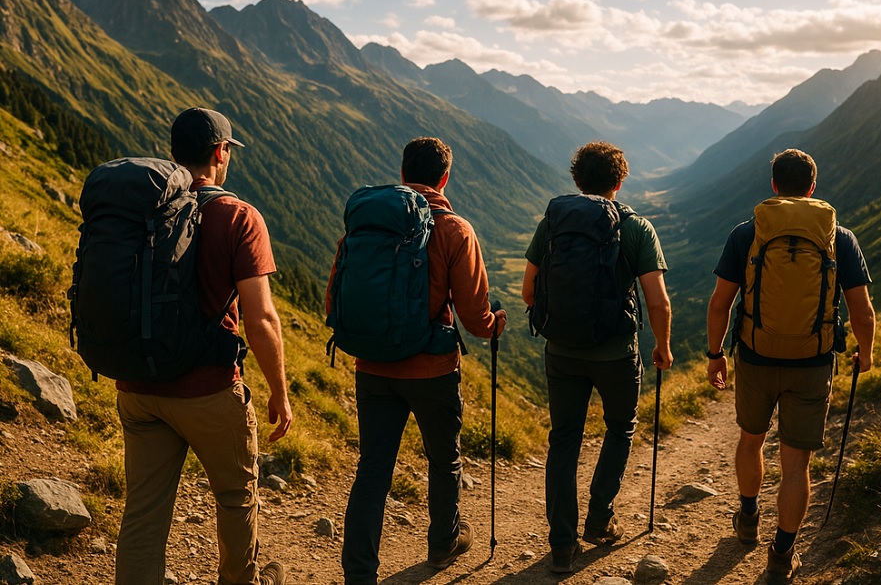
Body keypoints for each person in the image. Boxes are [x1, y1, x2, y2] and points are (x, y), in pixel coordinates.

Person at [113, 108, 293, 585]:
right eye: (229, 150)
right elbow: (261, 317)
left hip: (137, 386)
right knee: (236, 496)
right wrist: (280, 390)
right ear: (220, 153)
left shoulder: (141, 207)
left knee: (144, 512)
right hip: (208, 391)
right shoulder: (237, 216)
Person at [331, 136, 507, 585]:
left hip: (372, 367)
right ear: (445, 178)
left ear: (403, 173)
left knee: (372, 470)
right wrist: (494, 324)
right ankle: (443, 543)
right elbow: (473, 316)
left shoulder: (366, 224)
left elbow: (336, 294)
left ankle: (358, 573)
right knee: (443, 458)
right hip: (432, 370)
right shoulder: (454, 229)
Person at [706, 148, 876, 584]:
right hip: (813, 361)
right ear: (812, 187)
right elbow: (862, 310)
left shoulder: (747, 233)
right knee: (796, 464)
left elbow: (721, 302)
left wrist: (715, 354)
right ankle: (782, 553)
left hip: (756, 356)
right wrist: (867, 352)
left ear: (775, 186)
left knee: (751, 440)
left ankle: (747, 518)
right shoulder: (841, 238)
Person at [521, 141, 674, 574]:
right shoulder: (637, 227)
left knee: (564, 440)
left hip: (562, 353)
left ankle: (561, 546)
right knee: (620, 428)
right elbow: (657, 302)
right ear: (619, 181)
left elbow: (528, 290)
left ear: (577, 180)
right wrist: (662, 346)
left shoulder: (554, 220)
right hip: (616, 354)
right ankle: (600, 518)